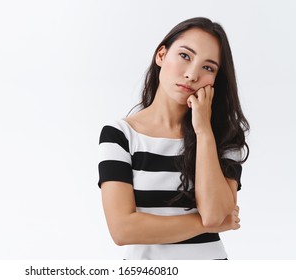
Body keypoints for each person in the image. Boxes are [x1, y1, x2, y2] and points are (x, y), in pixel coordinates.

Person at [97, 17, 249, 260]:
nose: (192, 75)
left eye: (208, 67)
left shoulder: (225, 137)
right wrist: (206, 225)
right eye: (185, 56)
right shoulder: (119, 135)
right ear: (161, 55)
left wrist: (204, 132)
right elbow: (122, 230)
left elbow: (214, 213)